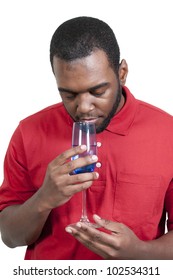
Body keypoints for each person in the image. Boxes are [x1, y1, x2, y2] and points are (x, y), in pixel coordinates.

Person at [0, 16, 173, 260]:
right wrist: (44, 198)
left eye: (97, 91)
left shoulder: (168, 133)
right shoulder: (28, 133)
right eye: (69, 94)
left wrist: (140, 252)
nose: (83, 107)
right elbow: (9, 236)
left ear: (122, 73)